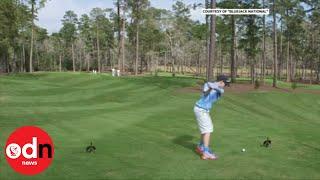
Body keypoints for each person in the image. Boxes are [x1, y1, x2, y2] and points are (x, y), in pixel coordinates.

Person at [193, 75, 228, 160]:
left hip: (204, 110)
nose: (226, 86)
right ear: (221, 82)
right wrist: (210, 86)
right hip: (201, 109)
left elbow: (219, 90)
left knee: (205, 130)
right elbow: (205, 94)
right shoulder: (208, 85)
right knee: (208, 130)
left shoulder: (221, 90)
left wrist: (212, 86)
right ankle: (206, 152)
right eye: (225, 84)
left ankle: (200, 147)